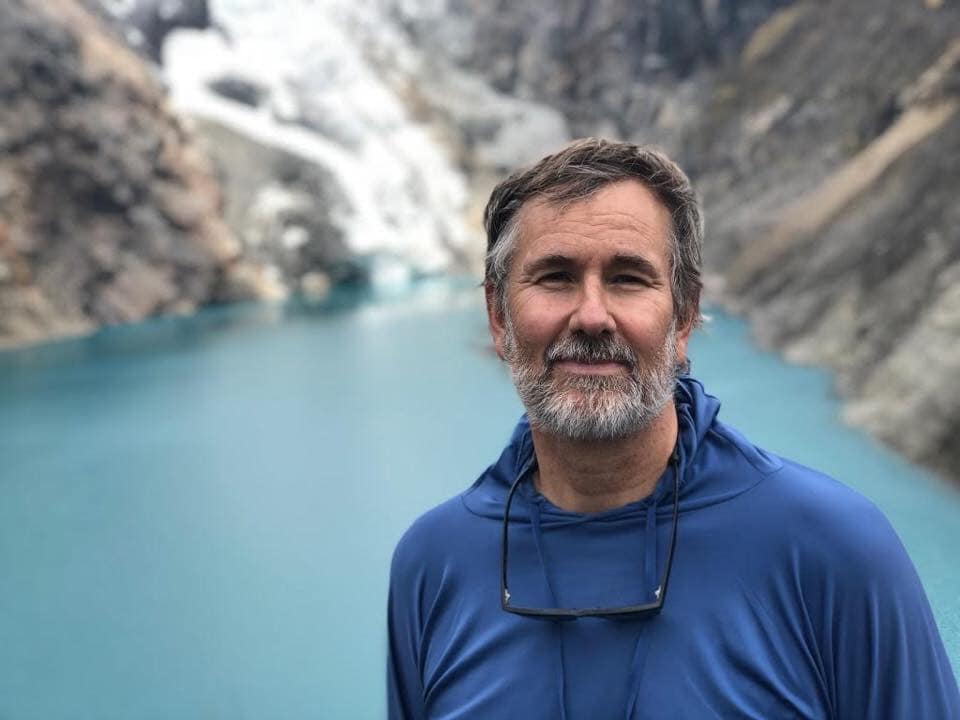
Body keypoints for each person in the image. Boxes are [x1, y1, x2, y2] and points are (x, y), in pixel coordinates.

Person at [386, 138, 960, 719]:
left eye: (628, 278)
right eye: (555, 276)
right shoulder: (435, 564)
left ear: (683, 316)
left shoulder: (832, 550)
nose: (591, 316)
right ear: (497, 316)